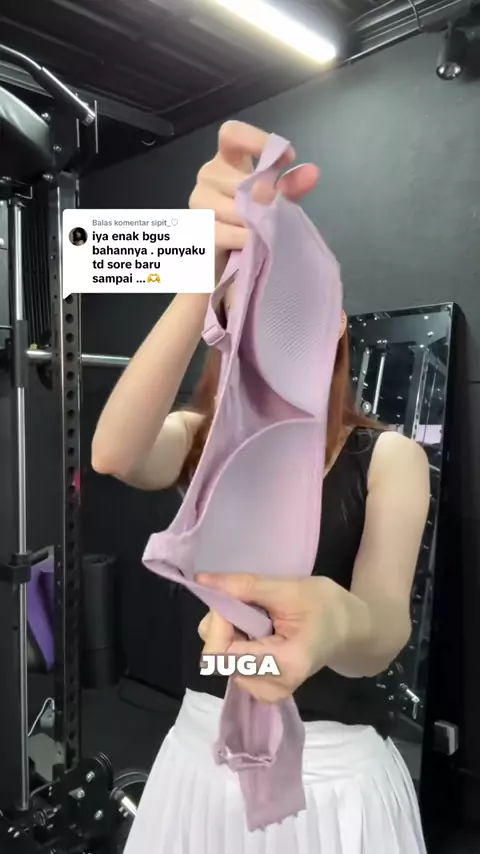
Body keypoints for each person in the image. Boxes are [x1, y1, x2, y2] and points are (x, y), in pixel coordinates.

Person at [91, 120, 431, 853]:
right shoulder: (204, 436)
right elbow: (115, 453)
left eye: (291, 305)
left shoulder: (388, 457)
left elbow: (381, 631)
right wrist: (197, 275)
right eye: (247, 307)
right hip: (200, 754)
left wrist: (336, 622)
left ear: (335, 327)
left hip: (332, 774)